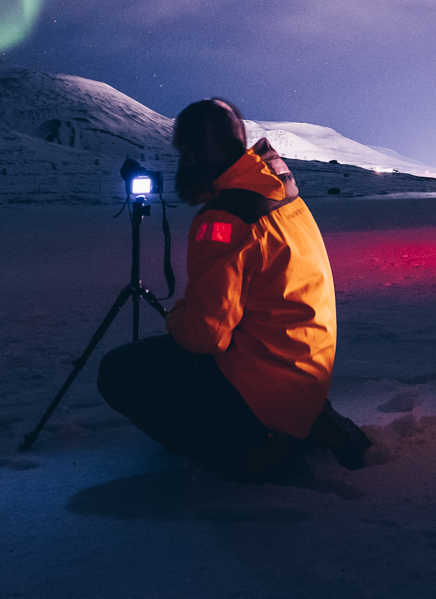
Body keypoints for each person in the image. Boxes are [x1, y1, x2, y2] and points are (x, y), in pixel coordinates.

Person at [97, 97, 371, 480]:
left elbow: (205, 336)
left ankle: (254, 446)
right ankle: (306, 418)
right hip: (304, 366)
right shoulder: (279, 193)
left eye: (186, 153)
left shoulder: (226, 219)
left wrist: (176, 319)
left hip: (266, 381)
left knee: (119, 372)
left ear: (199, 152)